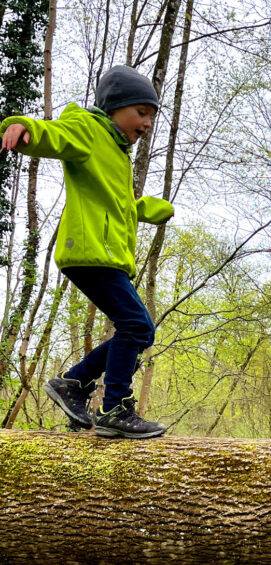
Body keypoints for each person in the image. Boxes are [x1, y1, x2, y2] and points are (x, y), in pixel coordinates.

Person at [0, 65, 174, 439]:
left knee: (140, 331)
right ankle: (113, 408)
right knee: (137, 325)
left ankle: (74, 384)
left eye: (151, 117)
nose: (146, 124)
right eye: (141, 113)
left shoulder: (115, 151)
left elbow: (113, 205)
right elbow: (56, 135)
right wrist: (21, 126)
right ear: (115, 107)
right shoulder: (89, 130)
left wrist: (142, 209)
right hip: (89, 253)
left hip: (104, 254)